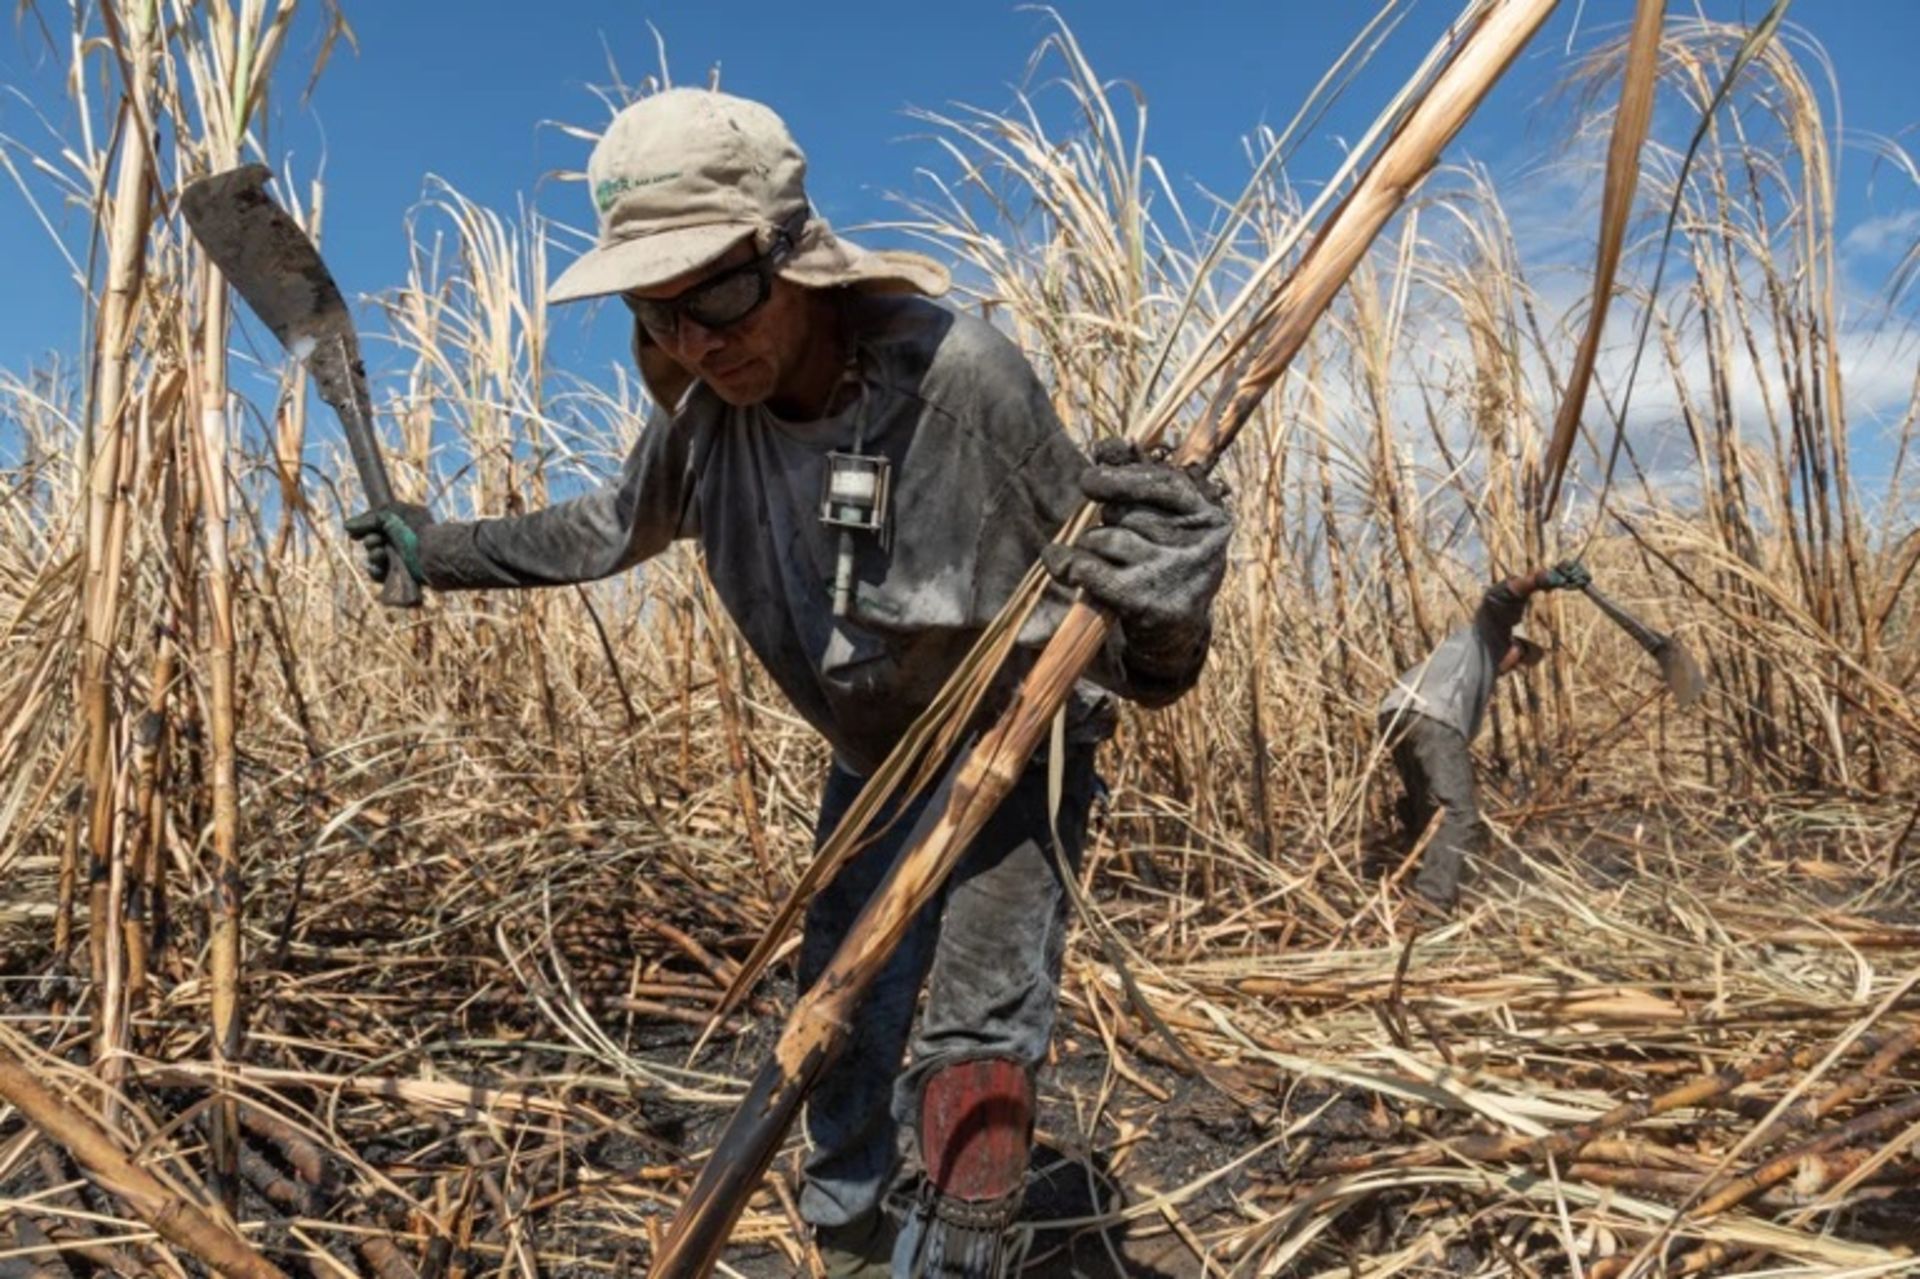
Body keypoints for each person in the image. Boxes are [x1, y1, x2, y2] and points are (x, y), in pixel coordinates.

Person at [345, 88, 1231, 1279]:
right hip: (869, 761)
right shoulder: (706, 424)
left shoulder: (960, 384)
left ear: (793, 257)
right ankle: (850, 1237)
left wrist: (1170, 611)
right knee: (842, 1004)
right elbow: (603, 532)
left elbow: (1120, 642)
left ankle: (962, 1254)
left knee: (980, 1023)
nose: (697, 343)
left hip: (1013, 740)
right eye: (658, 316)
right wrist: (432, 549)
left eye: (715, 295)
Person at [1376, 561, 1590, 912]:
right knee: (1459, 814)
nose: (1516, 666)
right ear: (1512, 641)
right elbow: (1499, 599)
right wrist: (1539, 580)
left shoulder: (1464, 658)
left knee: (1426, 811)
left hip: (1395, 713)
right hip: (1433, 716)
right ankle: (1431, 905)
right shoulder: (1487, 634)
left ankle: (1414, 884)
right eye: (1521, 654)